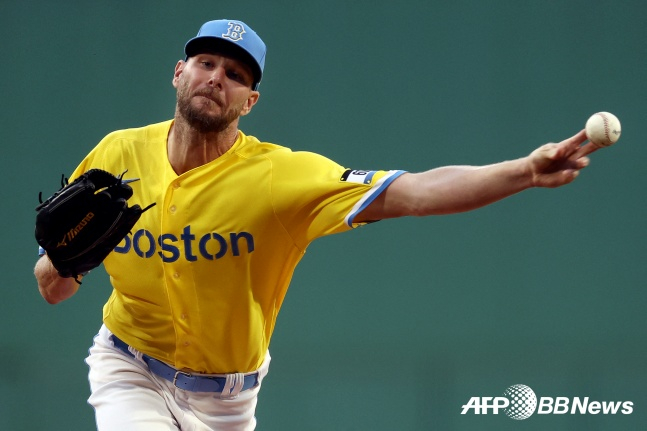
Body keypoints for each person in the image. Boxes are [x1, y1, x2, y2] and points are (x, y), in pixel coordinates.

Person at [34, 19, 597, 431]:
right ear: (179, 72)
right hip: (128, 366)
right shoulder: (118, 153)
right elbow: (52, 287)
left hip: (228, 400)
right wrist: (63, 262)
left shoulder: (278, 176)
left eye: (235, 74)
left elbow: (415, 192)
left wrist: (524, 171)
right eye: (206, 63)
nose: (216, 77)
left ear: (250, 101)